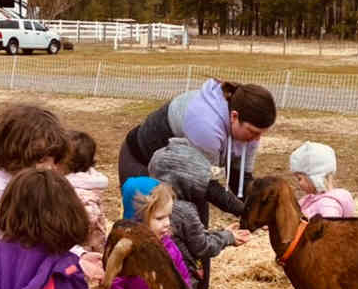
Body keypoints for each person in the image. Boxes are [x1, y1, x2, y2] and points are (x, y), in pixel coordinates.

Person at [118, 78, 277, 215]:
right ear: (234, 116)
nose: (256, 139)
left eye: (261, 134)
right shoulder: (206, 126)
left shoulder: (249, 131)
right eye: (253, 132)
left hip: (182, 171)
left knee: (195, 229)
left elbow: (240, 178)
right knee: (156, 226)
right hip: (141, 162)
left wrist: (259, 207)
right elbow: (205, 185)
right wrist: (243, 211)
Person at [0, 104, 70, 289]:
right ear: (17, 153)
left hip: (14, 260)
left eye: (53, 159)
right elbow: (30, 230)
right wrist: (74, 256)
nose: (51, 167)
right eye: (43, 159)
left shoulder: (30, 179)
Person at [149, 138, 251, 289]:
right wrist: (228, 237)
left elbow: (191, 236)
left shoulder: (149, 204)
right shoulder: (184, 211)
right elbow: (202, 246)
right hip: (184, 283)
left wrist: (222, 233)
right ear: (186, 180)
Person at [64, 130, 109, 289]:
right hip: (85, 244)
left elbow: (88, 216)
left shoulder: (77, 190)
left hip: (81, 246)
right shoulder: (88, 182)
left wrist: (72, 229)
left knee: (73, 288)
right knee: (73, 287)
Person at [289, 141, 356, 219]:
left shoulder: (327, 208)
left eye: (299, 178)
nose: (298, 183)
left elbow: (330, 230)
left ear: (314, 177)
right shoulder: (309, 199)